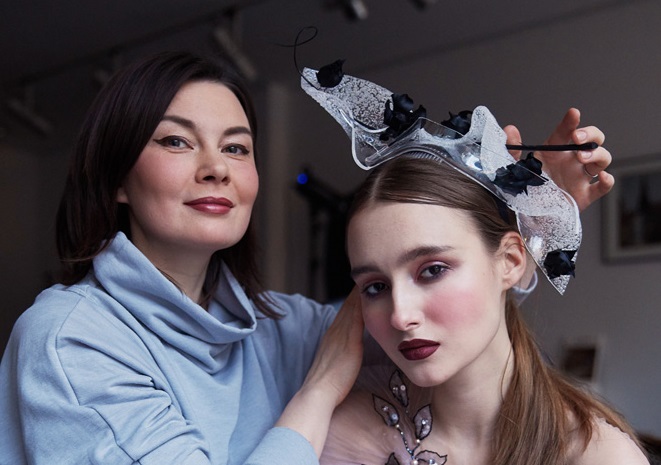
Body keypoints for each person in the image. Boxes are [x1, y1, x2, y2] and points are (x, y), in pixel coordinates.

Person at [0, 50, 611, 465]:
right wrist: (318, 392)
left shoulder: (280, 325)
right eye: (177, 141)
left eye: (236, 148)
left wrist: (531, 218)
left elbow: (439, 320)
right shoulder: (70, 340)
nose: (215, 168)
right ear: (117, 178)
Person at [300, 67, 649, 464]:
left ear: (512, 261)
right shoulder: (345, 435)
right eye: (375, 287)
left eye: (432, 270)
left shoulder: (597, 456)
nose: (400, 315)